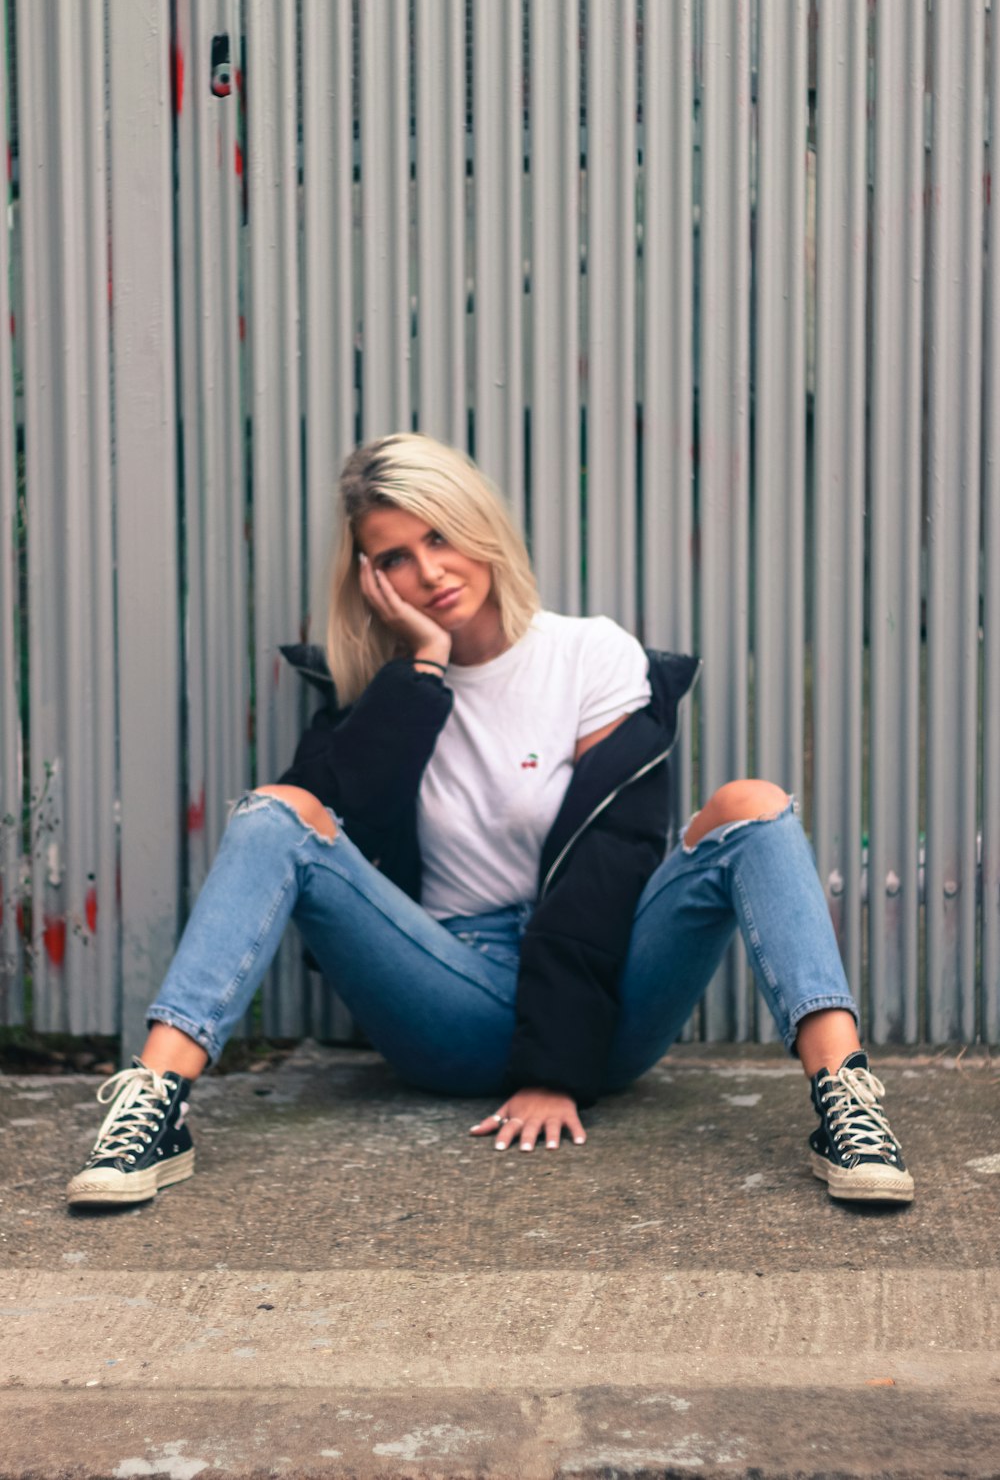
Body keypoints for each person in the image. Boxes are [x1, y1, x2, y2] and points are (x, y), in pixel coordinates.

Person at [67, 433, 913, 1209]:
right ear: (369, 579)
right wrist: (422, 668)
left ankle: (846, 1100)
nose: (429, 571)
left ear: (480, 524)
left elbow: (612, 858)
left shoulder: (590, 655)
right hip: (451, 998)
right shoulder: (373, 697)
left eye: (439, 536)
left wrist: (556, 1068)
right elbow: (334, 828)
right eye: (394, 557)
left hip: (605, 999)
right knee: (278, 813)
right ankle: (153, 1107)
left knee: (751, 805)